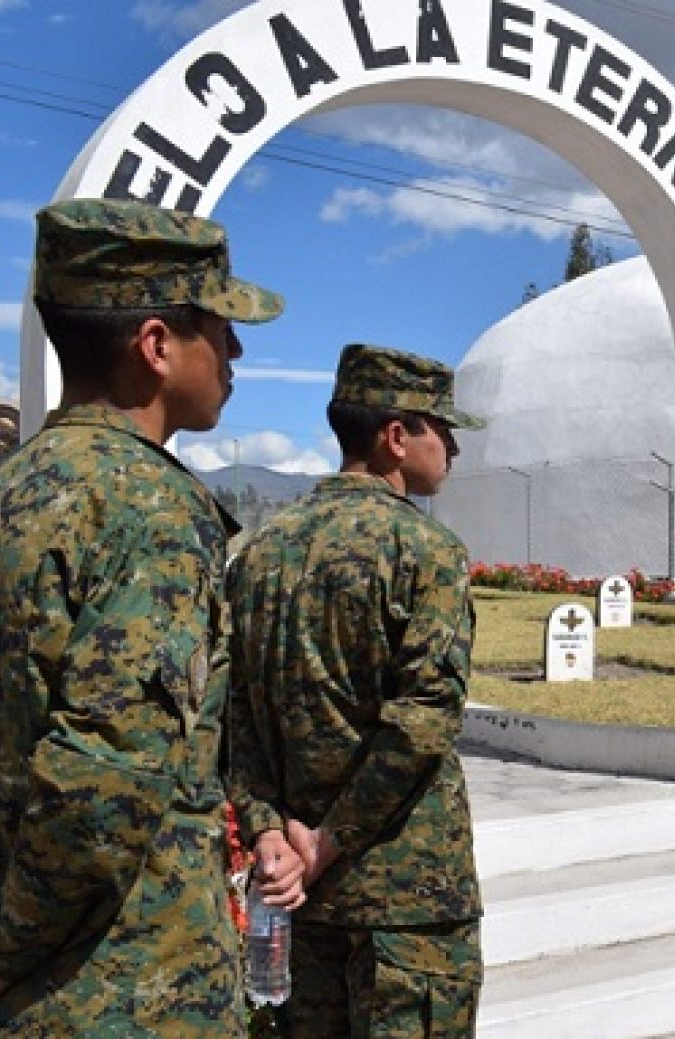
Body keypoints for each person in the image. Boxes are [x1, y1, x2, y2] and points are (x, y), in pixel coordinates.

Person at [0, 198, 300, 1037]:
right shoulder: (152, 509)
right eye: (219, 326)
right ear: (157, 345)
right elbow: (103, 783)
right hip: (123, 995)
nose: (235, 350)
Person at [226, 343, 486, 1038]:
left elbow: (236, 719)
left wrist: (267, 834)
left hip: (303, 900)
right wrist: (331, 841)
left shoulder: (258, 554)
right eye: (444, 430)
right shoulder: (425, 551)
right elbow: (423, 722)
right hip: (407, 903)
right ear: (396, 437)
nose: (453, 449)